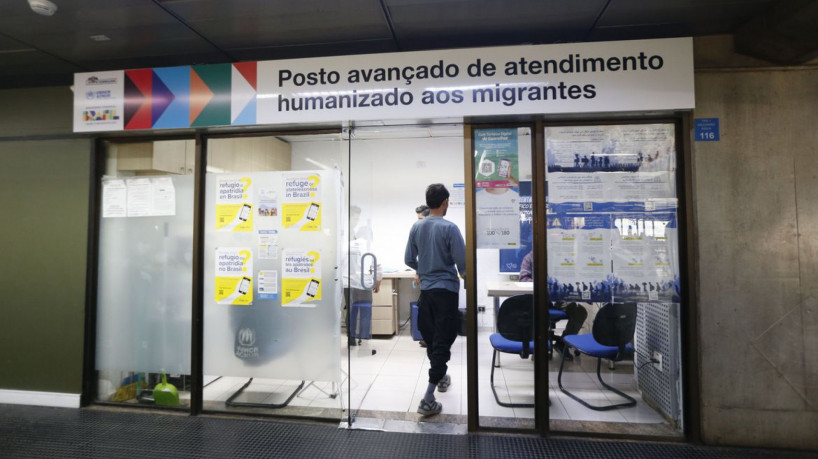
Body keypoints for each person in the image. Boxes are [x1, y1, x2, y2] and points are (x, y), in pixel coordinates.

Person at [405, 184, 466, 417]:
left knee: (432, 339)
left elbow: (408, 258)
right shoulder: (450, 228)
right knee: (442, 341)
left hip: (427, 293)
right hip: (446, 292)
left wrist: (426, 269)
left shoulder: (416, 226)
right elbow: (463, 264)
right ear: (444, 202)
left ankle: (440, 376)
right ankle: (428, 398)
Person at [518, 250, 587, 358]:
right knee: (539, 312)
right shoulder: (530, 258)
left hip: (562, 299)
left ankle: (563, 344)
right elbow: (523, 279)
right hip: (541, 299)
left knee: (580, 312)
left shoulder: (564, 257)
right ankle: (540, 346)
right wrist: (543, 286)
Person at [344, 205, 382, 346]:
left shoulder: (354, 236)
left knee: (358, 308)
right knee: (356, 309)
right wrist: (377, 281)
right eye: (355, 217)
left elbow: (376, 264)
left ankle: (358, 336)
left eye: (358, 218)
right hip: (351, 281)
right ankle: (355, 336)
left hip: (359, 281)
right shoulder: (347, 236)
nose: (357, 220)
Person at [414, 204, 430, 348]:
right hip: (431, 279)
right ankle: (429, 338)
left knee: (427, 311)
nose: (419, 222)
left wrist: (419, 272)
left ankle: (429, 339)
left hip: (430, 280)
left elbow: (411, 258)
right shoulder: (420, 232)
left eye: (420, 218)